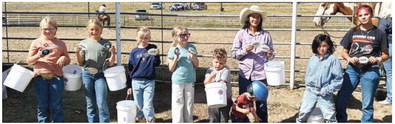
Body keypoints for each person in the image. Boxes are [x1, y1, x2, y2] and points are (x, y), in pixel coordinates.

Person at [335, 5, 389, 123]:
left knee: (367, 104)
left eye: (366, 14)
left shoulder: (379, 34)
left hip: (371, 70)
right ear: (358, 17)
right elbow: (343, 52)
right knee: (341, 99)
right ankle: (341, 120)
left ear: (371, 14)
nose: (363, 17)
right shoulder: (352, 32)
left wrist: (377, 59)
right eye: (360, 15)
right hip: (352, 70)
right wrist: (349, 59)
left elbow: (385, 55)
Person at [231, 5, 275, 122]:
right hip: (245, 74)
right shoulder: (241, 34)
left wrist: (270, 54)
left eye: (258, 17)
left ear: (260, 20)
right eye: (253, 17)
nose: (255, 19)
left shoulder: (266, 35)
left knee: (261, 105)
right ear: (248, 18)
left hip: (260, 74)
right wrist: (245, 50)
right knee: (243, 103)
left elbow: (272, 55)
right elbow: (234, 54)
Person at [27, 16, 71, 122]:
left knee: (56, 105)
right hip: (40, 77)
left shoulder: (61, 44)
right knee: (43, 105)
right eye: (45, 29)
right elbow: (29, 61)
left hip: (57, 77)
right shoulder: (36, 42)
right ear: (41, 29)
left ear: (56, 29)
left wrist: (63, 58)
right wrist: (38, 55)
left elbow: (68, 60)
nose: (48, 31)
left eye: (51, 28)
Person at [74, 18, 116, 123]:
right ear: (88, 30)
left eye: (97, 29)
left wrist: (113, 53)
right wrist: (77, 53)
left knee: (101, 103)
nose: (94, 32)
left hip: (100, 75)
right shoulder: (83, 43)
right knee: (90, 103)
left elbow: (110, 63)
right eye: (91, 29)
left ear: (101, 30)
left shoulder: (106, 44)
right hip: (87, 75)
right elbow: (81, 63)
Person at [295, 34, 343, 123]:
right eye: (319, 46)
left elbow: (338, 79)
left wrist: (326, 90)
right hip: (311, 91)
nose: (321, 48)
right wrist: (308, 88)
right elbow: (308, 75)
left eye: (324, 46)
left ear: (328, 46)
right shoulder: (312, 59)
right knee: (303, 113)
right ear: (315, 46)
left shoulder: (333, 60)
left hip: (325, 92)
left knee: (330, 116)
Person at [126, 27, 160, 123]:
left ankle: (150, 119)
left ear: (149, 38)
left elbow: (156, 63)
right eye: (141, 38)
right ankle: (142, 118)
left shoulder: (152, 48)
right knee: (139, 104)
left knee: (148, 104)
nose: (143, 40)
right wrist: (129, 85)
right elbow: (130, 68)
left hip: (149, 81)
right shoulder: (134, 52)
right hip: (136, 81)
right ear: (137, 38)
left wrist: (157, 56)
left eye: (146, 38)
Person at [167, 26, 199, 123]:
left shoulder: (192, 47)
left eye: (187, 34)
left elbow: (196, 65)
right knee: (178, 103)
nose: (185, 37)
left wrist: (193, 56)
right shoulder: (173, 50)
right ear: (175, 37)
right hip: (178, 81)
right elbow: (171, 68)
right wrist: (176, 58)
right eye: (182, 35)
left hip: (190, 80)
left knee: (189, 103)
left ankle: (188, 121)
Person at [204, 48, 232, 123]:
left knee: (223, 118)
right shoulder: (210, 71)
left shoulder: (225, 70)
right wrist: (210, 77)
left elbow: (222, 83)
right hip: (213, 99)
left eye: (221, 63)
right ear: (212, 60)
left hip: (225, 98)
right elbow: (206, 83)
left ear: (225, 62)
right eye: (216, 62)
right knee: (213, 118)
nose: (218, 65)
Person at [377, 1, 392, 105]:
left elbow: (380, 35)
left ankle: (390, 97)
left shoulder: (386, 19)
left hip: (390, 46)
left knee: (390, 73)